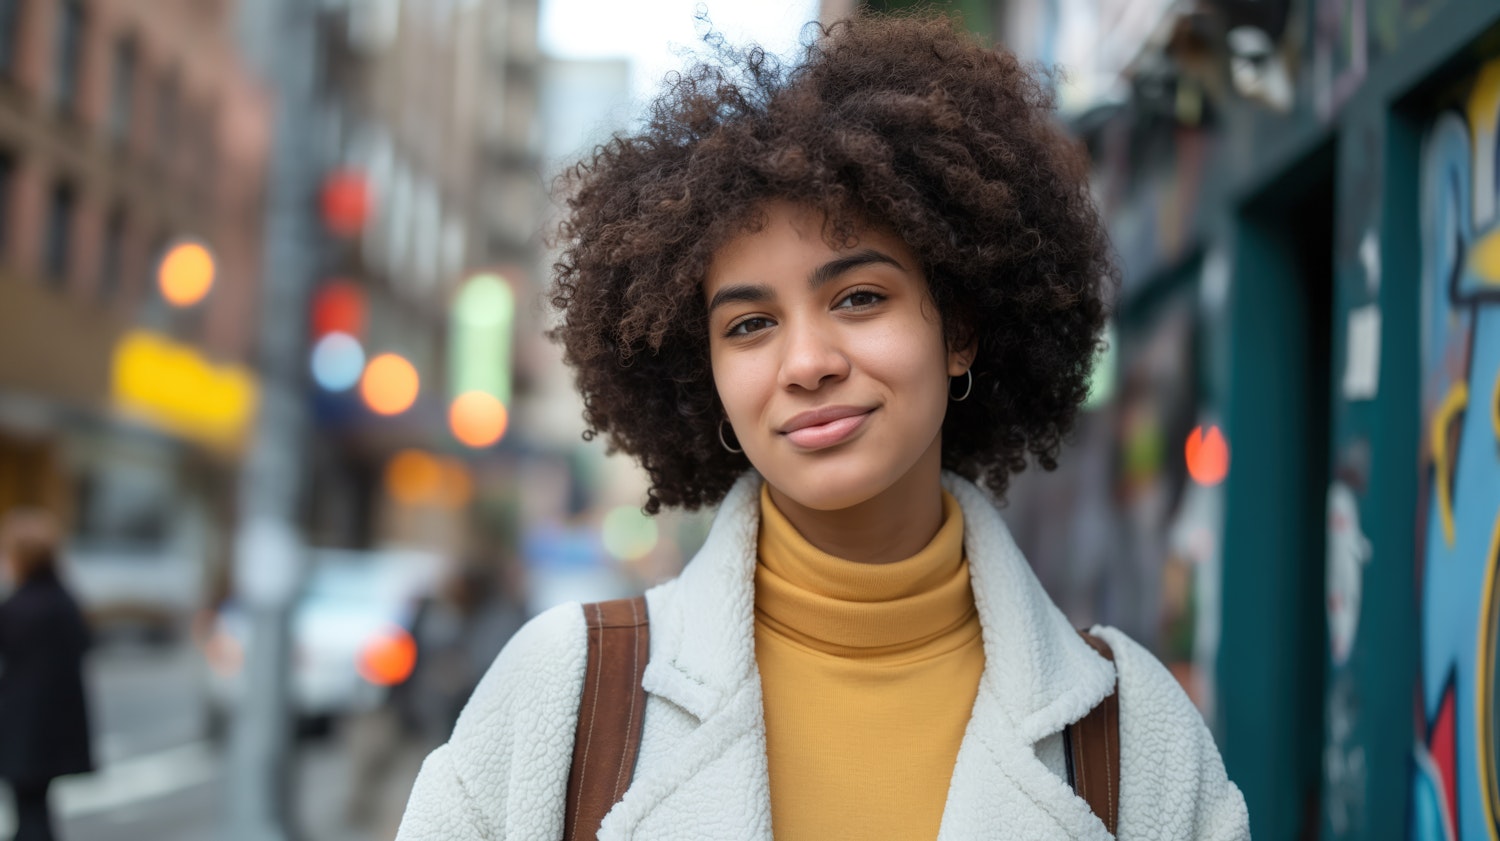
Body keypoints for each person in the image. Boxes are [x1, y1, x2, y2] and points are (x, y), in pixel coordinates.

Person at [398, 13, 1249, 840]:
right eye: (749, 324)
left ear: (958, 330)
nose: (806, 362)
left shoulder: (1130, 731)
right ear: (708, 376)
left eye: (859, 298)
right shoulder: (568, 691)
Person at [0, 510, 94, 841]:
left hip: (21, 729)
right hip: (56, 728)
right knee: (37, 810)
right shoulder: (65, 601)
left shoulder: (16, 608)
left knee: (29, 814)